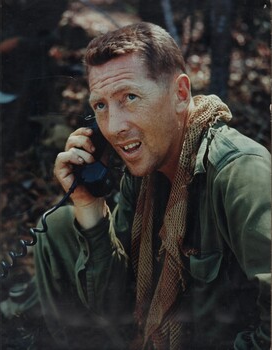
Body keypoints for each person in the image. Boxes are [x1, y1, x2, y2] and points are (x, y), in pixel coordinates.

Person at [34, 22, 271, 350]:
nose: (114, 127)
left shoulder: (239, 172)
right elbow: (114, 308)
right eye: (100, 106)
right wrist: (89, 204)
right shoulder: (144, 175)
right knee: (60, 225)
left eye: (129, 97)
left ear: (180, 94)